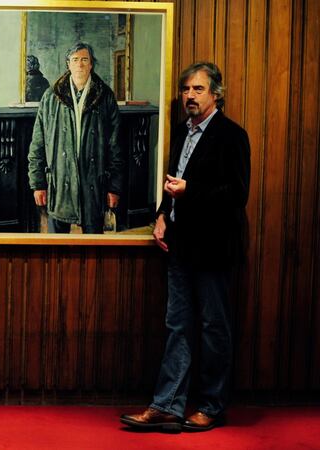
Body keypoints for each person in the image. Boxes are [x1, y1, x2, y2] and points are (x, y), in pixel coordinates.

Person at [120, 62, 251, 432]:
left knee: (213, 328)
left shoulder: (232, 136)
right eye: (186, 89)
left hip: (214, 249)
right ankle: (167, 406)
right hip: (180, 247)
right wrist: (163, 214)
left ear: (216, 94)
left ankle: (211, 406)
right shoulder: (182, 131)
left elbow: (237, 195)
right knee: (177, 325)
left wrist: (190, 191)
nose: (189, 96)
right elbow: (172, 184)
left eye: (198, 89)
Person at [27, 42, 126, 234]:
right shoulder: (51, 97)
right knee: (57, 244)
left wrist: (114, 187)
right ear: (68, 64)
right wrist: (38, 183)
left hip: (94, 183)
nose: (80, 64)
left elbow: (116, 147)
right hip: (59, 183)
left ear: (91, 64)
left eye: (84, 60)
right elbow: (38, 144)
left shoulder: (105, 96)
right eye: (75, 60)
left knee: (93, 243)